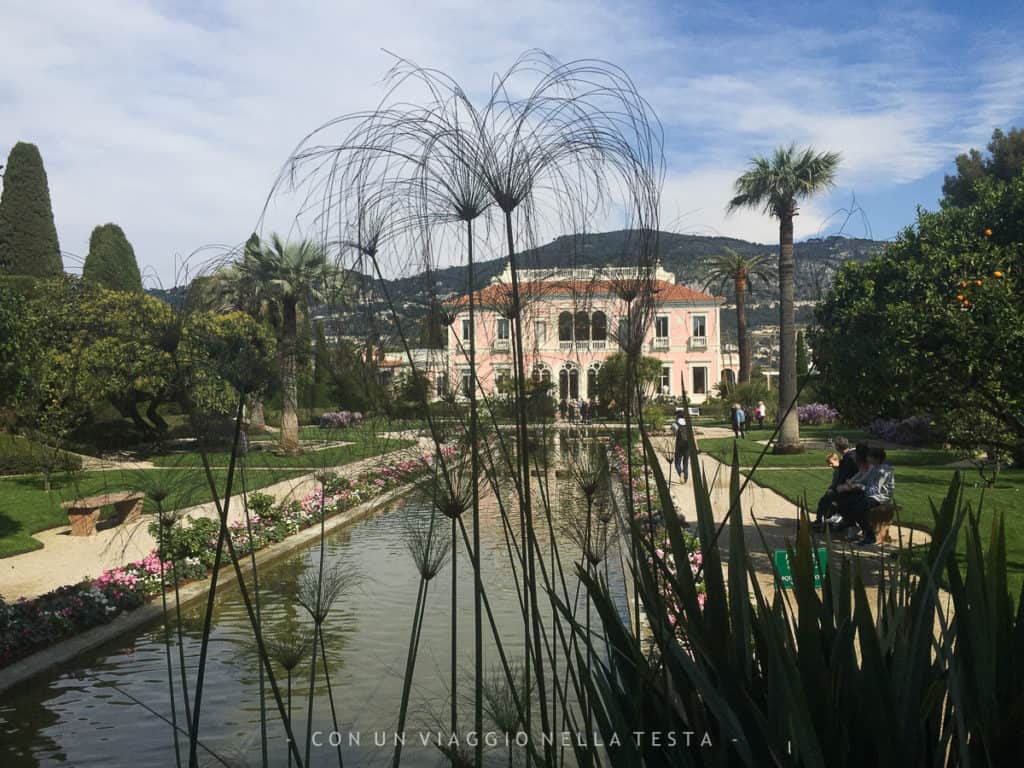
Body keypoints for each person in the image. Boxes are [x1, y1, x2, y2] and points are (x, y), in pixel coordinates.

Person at [830, 445, 894, 545]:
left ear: (876, 458)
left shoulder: (883, 471)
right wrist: (851, 483)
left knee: (859, 508)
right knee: (843, 502)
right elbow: (864, 479)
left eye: (869, 457)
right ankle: (851, 523)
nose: (867, 458)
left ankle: (869, 535)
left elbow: (876, 489)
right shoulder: (874, 467)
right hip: (869, 494)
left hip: (880, 497)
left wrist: (859, 487)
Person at [812, 437, 860, 529]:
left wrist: (836, 487)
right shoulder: (853, 455)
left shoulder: (848, 458)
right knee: (830, 497)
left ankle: (821, 521)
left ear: (837, 447)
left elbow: (843, 477)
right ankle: (829, 520)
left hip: (850, 488)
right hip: (852, 486)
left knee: (826, 498)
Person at [671, 408, 691, 483]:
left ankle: (680, 473)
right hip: (687, 445)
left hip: (679, 445)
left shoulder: (674, 424)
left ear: (677, 416)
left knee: (677, 464)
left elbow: (675, 433)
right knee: (685, 463)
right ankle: (685, 479)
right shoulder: (688, 424)